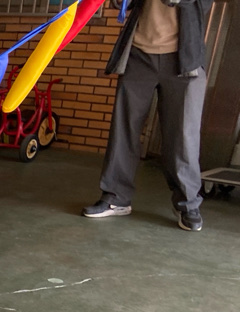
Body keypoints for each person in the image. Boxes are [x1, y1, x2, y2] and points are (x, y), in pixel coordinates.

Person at [81, 0, 213, 231]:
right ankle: (116, 197)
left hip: (184, 57)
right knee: (124, 129)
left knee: (183, 136)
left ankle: (188, 204)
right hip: (138, 54)